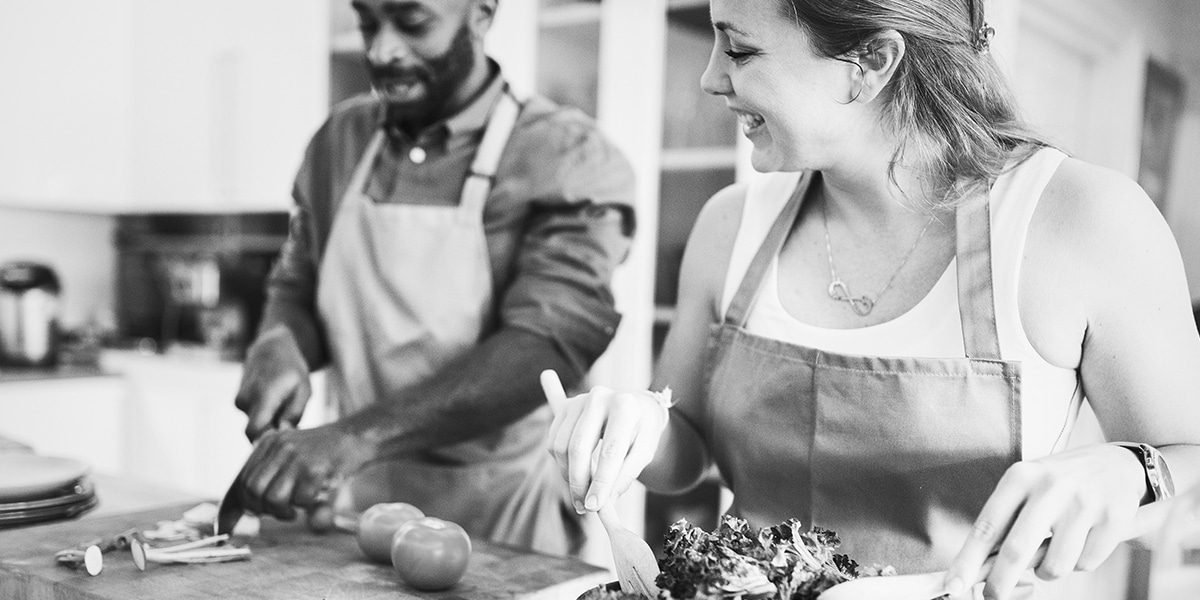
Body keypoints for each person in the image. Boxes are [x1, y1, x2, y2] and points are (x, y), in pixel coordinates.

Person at [547, 0, 1200, 598]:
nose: (710, 78)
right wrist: (632, 425)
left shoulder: (1083, 218)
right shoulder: (730, 223)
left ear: (872, 61)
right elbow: (684, 452)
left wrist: (1134, 472)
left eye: (739, 49)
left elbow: (1189, 462)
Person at [231, 0, 635, 557]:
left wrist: (356, 437)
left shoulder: (565, 155)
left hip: (504, 520)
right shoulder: (340, 141)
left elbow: (550, 341)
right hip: (356, 510)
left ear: (482, 13)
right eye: (367, 23)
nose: (381, 50)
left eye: (413, 23)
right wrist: (281, 339)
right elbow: (299, 284)